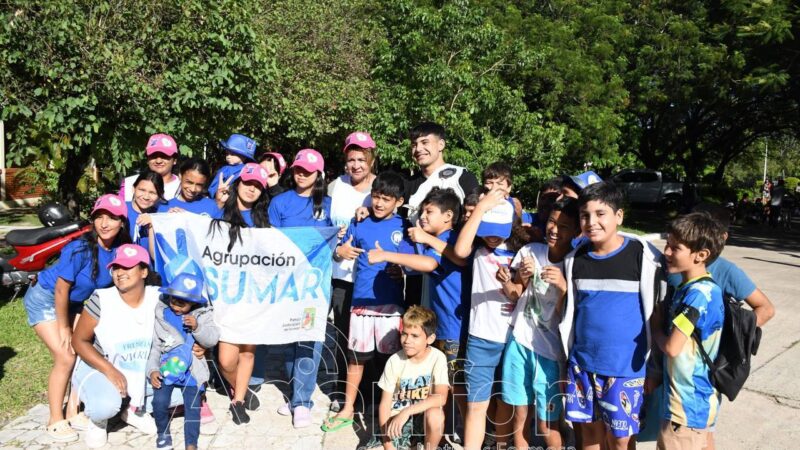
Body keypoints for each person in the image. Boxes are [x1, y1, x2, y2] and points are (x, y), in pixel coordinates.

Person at [559, 181, 667, 450]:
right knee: (589, 434)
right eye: (585, 215)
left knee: (621, 439)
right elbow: (571, 313)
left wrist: (654, 369)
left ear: (619, 216)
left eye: (600, 214)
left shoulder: (644, 257)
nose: (591, 222)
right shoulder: (575, 260)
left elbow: (657, 314)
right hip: (582, 366)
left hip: (625, 369)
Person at [22, 194, 131, 443]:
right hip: (46, 298)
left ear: (122, 222)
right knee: (66, 355)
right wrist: (63, 327)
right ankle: (55, 420)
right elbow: (61, 289)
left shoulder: (117, 250)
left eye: (112, 218)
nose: (104, 223)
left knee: (83, 348)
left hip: (74, 302)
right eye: (99, 217)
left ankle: (73, 410)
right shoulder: (80, 248)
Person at [323, 171, 420, 432]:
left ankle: (388, 411)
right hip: (361, 303)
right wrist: (340, 251)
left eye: (386, 199)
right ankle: (348, 408)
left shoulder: (404, 226)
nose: (379, 203)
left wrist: (401, 268)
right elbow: (340, 251)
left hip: (391, 305)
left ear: (399, 202)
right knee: (356, 359)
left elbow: (412, 263)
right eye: (376, 197)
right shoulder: (359, 221)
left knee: (391, 361)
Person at [382, 187, 470, 437]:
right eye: (421, 211)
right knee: (445, 382)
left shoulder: (450, 238)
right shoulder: (436, 240)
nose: (422, 216)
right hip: (443, 326)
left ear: (448, 215)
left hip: (454, 327)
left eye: (429, 211)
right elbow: (424, 265)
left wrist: (387, 255)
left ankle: (467, 432)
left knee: (456, 384)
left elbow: (430, 264)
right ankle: (447, 430)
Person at [499, 198, 581, 449]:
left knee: (547, 426)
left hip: (551, 354)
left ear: (577, 231)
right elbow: (515, 294)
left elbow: (571, 316)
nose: (555, 230)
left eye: (564, 226)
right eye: (552, 222)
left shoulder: (576, 263)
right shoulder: (531, 251)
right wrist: (512, 281)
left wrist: (563, 288)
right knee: (520, 416)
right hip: (520, 343)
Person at [453, 189, 529, 450]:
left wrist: (512, 282)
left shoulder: (523, 251)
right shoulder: (477, 248)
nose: (493, 236)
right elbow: (459, 249)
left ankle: (500, 445)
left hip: (514, 339)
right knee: (477, 404)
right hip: (481, 339)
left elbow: (520, 293)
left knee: (506, 401)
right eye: (488, 229)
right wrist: (481, 208)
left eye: (499, 229)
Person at [70, 244, 160, 448]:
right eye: (116, 267)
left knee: (180, 392)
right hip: (99, 366)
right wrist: (109, 370)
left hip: (138, 367)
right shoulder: (102, 299)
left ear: (144, 272)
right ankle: (98, 420)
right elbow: (79, 341)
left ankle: (131, 410)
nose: (120, 272)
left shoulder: (158, 297)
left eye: (127, 267)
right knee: (105, 406)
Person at [268, 149, 333, 427]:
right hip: (285, 285)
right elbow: (269, 243)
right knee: (287, 341)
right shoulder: (279, 202)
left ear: (318, 174)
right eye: (298, 169)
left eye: (308, 170)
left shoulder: (328, 204)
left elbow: (338, 237)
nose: (302, 174)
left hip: (315, 286)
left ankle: (303, 402)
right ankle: (295, 393)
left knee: (309, 339)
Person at [652, 212, 726, 449]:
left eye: (675, 248)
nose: (666, 252)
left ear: (701, 255)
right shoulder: (695, 288)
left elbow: (673, 348)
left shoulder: (698, 295)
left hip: (685, 410)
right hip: (697, 404)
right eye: (667, 244)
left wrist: (655, 327)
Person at [209, 162, 271, 424]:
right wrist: (217, 203)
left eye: (258, 186)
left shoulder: (264, 220)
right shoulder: (220, 212)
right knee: (226, 360)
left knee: (247, 353)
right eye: (248, 183)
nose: (251, 189)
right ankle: (240, 387)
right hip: (225, 298)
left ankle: (239, 401)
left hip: (253, 296)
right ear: (238, 184)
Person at [400, 122, 480, 307]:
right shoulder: (408, 185)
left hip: (454, 273)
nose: (418, 149)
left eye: (424, 142)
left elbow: (477, 218)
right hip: (418, 275)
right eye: (414, 144)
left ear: (441, 144)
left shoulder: (463, 178)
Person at [326, 132, 378, 409]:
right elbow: (324, 228)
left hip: (372, 276)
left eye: (361, 159)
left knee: (371, 337)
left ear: (371, 160)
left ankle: (370, 393)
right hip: (341, 274)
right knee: (344, 334)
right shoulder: (335, 186)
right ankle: (341, 391)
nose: (356, 165)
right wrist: (337, 250)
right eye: (351, 159)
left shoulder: (381, 188)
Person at [148, 273, 220, 450]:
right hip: (167, 366)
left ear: (193, 303)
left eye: (182, 304)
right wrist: (152, 370)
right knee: (159, 402)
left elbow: (212, 339)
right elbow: (155, 346)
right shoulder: (162, 313)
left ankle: (191, 444)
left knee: (193, 407)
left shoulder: (203, 315)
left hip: (193, 369)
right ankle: (163, 434)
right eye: (173, 301)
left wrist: (197, 327)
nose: (175, 307)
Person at [369, 305, 449, 450]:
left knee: (436, 415)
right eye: (404, 334)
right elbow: (385, 404)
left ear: (430, 339)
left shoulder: (438, 358)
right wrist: (388, 445)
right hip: (396, 421)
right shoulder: (394, 361)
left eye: (415, 336)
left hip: (421, 419)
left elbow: (441, 398)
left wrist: (407, 411)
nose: (407, 340)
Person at [122, 134, 181, 202]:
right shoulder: (129, 183)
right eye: (153, 156)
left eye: (164, 156)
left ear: (174, 160)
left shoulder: (182, 187)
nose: (158, 161)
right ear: (147, 159)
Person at [126, 170, 164, 256]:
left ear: (160, 195)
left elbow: (156, 256)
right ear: (133, 188)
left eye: (152, 193)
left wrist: (153, 223)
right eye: (142, 190)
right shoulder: (121, 209)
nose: (146, 197)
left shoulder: (161, 216)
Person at [208, 133, 258, 199]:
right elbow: (213, 188)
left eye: (232, 154)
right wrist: (216, 194)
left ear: (244, 156)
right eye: (227, 153)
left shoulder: (250, 169)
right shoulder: (225, 169)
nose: (228, 157)